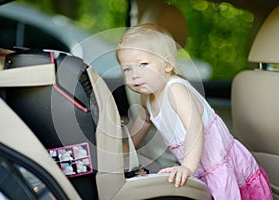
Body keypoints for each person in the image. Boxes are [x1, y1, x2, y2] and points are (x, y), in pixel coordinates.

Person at [116, 23, 272, 200]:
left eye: (143, 64)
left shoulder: (175, 89)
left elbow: (194, 127)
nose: (134, 74)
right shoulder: (147, 97)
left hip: (216, 164)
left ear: (167, 64)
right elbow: (143, 122)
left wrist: (187, 168)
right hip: (198, 166)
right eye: (127, 69)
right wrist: (124, 150)